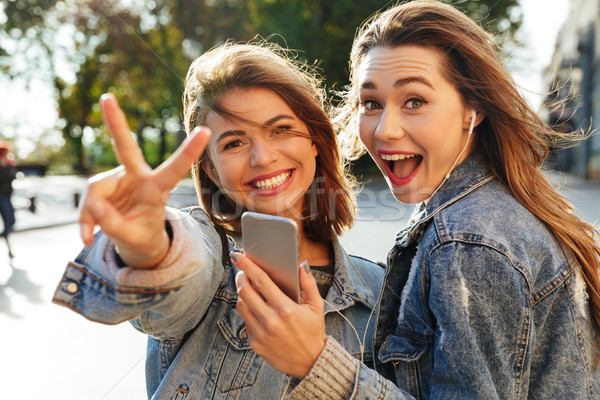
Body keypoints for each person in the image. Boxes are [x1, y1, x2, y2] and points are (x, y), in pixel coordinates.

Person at [231, 1, 600, 398]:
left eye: (415, 101)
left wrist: (315, 363)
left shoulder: (468, 242)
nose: (386, 130)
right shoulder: (482, 212)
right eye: (371, 104)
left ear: (472, 109)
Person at [52, 41, 384, 399]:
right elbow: (177, 271)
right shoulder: (209, 261)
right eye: (234, 144)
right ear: (211, 168)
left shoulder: (381, 290)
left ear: (315, 140)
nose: (263, 157)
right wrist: (148, 247)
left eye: (280, 129)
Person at [0, 140, 16, 259]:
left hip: (7, 196)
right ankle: (9, 250)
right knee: (7, 220)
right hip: (1, 196)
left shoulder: (9, 164)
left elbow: (13, 176)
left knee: (11, 221)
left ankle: (4, 236)